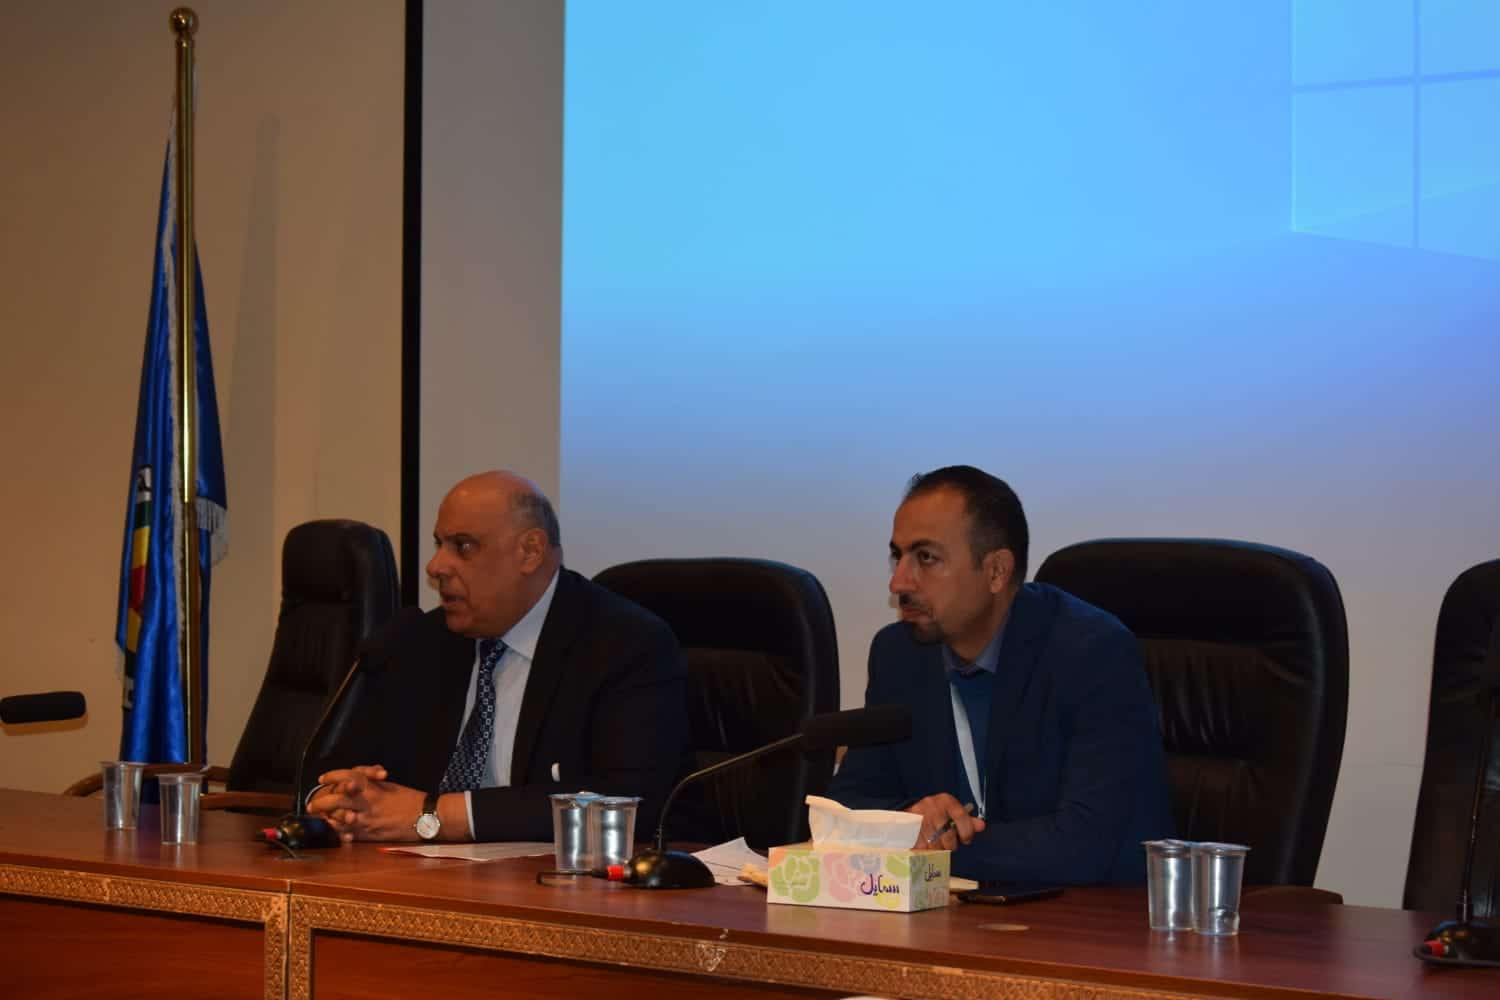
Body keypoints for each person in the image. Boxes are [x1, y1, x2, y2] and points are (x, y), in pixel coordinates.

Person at [829, 465, 1173, 884]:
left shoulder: (1091, 653)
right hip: (952, 912)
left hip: (1086, 915)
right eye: (897, 556)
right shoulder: (898, 654)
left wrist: (934, 848)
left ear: (996, 571)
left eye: (925, 558)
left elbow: (1087, 843)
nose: (898, 582)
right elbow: (849, 804)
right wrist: (909, 819)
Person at [307, 470, 690, 843]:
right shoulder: (416, 640)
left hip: (553, 877)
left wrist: (436, 815)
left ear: (530, 551)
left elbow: (630, 802)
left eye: (463, 546)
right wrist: (342, 796)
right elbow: (333, 764)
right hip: (417, 872)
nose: (435, 566)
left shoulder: (625, 643)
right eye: (439, 544)